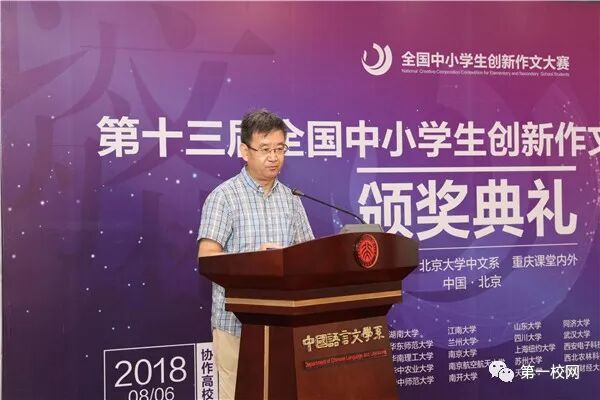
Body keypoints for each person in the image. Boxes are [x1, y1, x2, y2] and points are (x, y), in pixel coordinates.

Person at [197, 109, 314, 399]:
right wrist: (255, 262)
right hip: (236, 326)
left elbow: (309, 255)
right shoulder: (224, 197)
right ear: (245, 151)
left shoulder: (291, 199)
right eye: (265, 149)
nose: (274, 157)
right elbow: (207, 258)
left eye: (280, 149)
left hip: (284, 326)